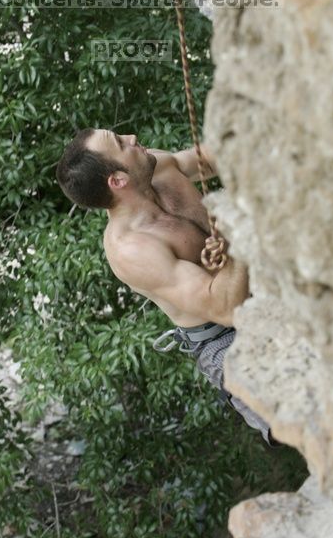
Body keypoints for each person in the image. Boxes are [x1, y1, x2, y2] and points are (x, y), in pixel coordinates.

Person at [56, 128, 275, 444]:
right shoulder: (132, 248)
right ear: (117, 181)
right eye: (120, 144)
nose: (131, 137)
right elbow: (226, 308)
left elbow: (211, 159)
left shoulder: (150, 165)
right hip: (227, 335)